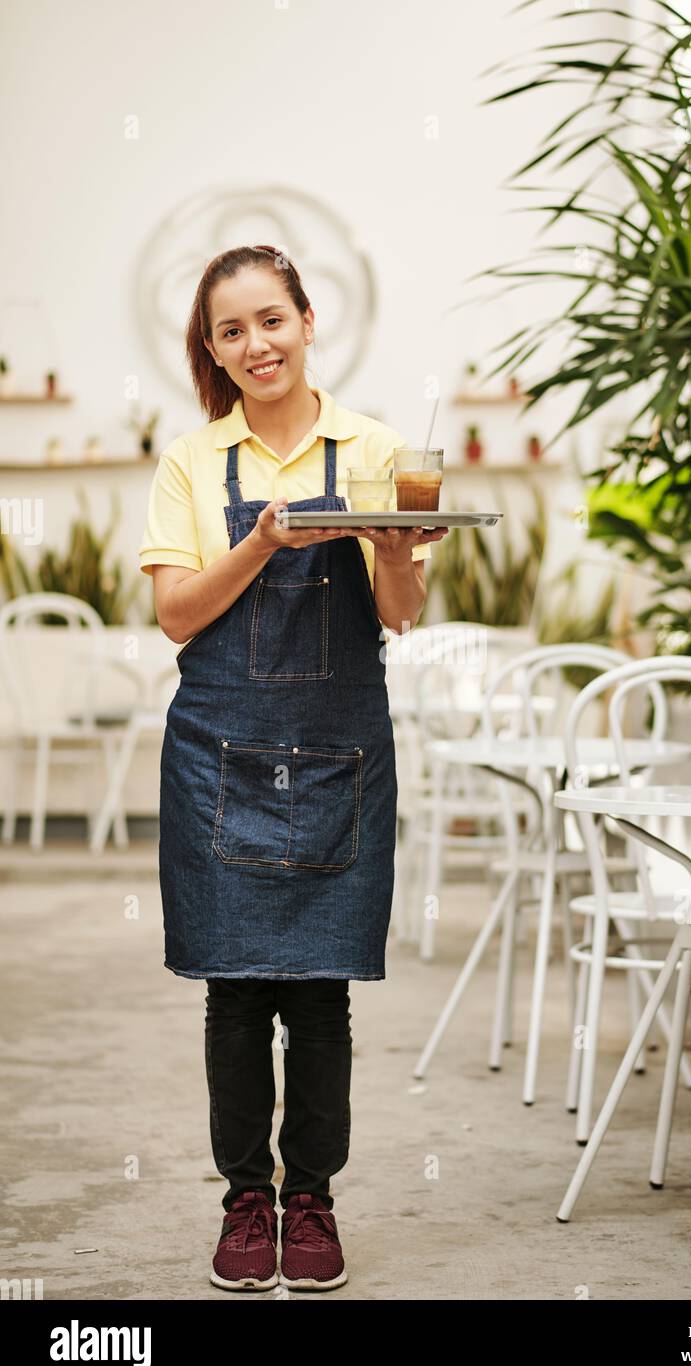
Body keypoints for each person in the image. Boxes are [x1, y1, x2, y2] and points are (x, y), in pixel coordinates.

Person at [138, 243, 449, 1293]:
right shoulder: (192, 461)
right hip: (219, 757)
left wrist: (397, 549)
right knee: (235, 993)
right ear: (214, 352)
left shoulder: (373, 448)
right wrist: (263, 542)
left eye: (270, 319)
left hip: (339, 756)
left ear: (307, 321)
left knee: (319, 996)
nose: (254, 343)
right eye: (230, 330)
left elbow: (397, 616)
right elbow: (177, 612)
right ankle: (243, 1200)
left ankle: (309, 1198)